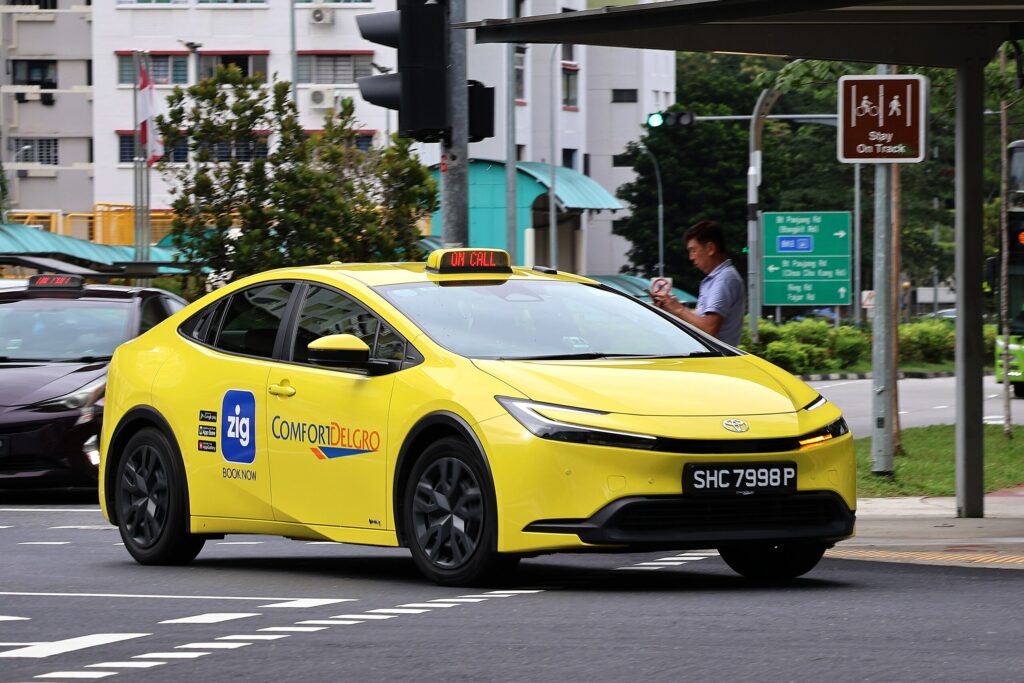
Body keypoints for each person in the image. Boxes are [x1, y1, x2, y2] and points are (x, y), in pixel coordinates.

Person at [651, 219, 745, 346]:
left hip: (715, 362)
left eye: (693, 250)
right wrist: (671, 309)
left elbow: (709, 328)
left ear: (710, 248)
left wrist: (679, 309)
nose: (691, 257)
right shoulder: (716, 279)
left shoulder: (724, 279)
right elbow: (700, 323)